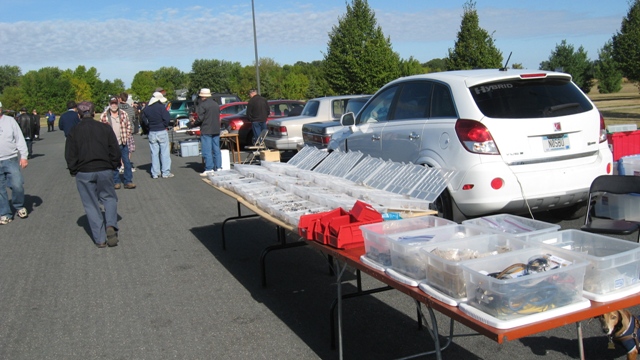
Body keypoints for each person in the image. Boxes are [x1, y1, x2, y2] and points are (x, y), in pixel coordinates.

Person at [65, 101, 121, 248]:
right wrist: (114, 165)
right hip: (104, 168)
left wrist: (73, 170)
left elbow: (70, 154)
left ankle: (100, 239)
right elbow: (115, 149)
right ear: (94, 112)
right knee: (109, 198)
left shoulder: (74, 131)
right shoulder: (105, 128)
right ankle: (111, 224)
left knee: (91, 204)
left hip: (84, 171)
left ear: (79, 114)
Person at [0, 101, 29, 225]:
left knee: (17, 184)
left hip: (10, 158)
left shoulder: (10, 121)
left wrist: (24, 156)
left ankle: (19, 205)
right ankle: (5, 213)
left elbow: (19, 139)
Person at [100, 97, 136, 189]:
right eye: (112, 103)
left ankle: (128, 181)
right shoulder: (104, 115)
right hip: (111, 144)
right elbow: (101, 130)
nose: (114, 105)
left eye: (115, 103)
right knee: (113, 163)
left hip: (123, 142)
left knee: (127, 162)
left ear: (118, 104)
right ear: (109, 104)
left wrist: (127, 135)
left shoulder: (124, 114)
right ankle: (116, 182)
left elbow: (129, 125)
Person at [142, 92, 173, 179]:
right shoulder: (161, 107)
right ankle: (165, 172)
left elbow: (144, 120)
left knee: (154, 153)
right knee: (164, 152)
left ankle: (155, 173)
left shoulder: (147, 109)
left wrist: (149, 127)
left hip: (152, 131)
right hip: (161, 130)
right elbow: (167, 119)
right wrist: (164, 125)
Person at [193, 88, 222, 176]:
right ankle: (219, 167)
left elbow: (201, 118)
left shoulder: (203, 105)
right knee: (216, 149)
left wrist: (194, 123)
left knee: (207, 149)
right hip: (216, 129)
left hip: (206, 129)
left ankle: (209, 168)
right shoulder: (216, 104)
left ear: (202, 96)